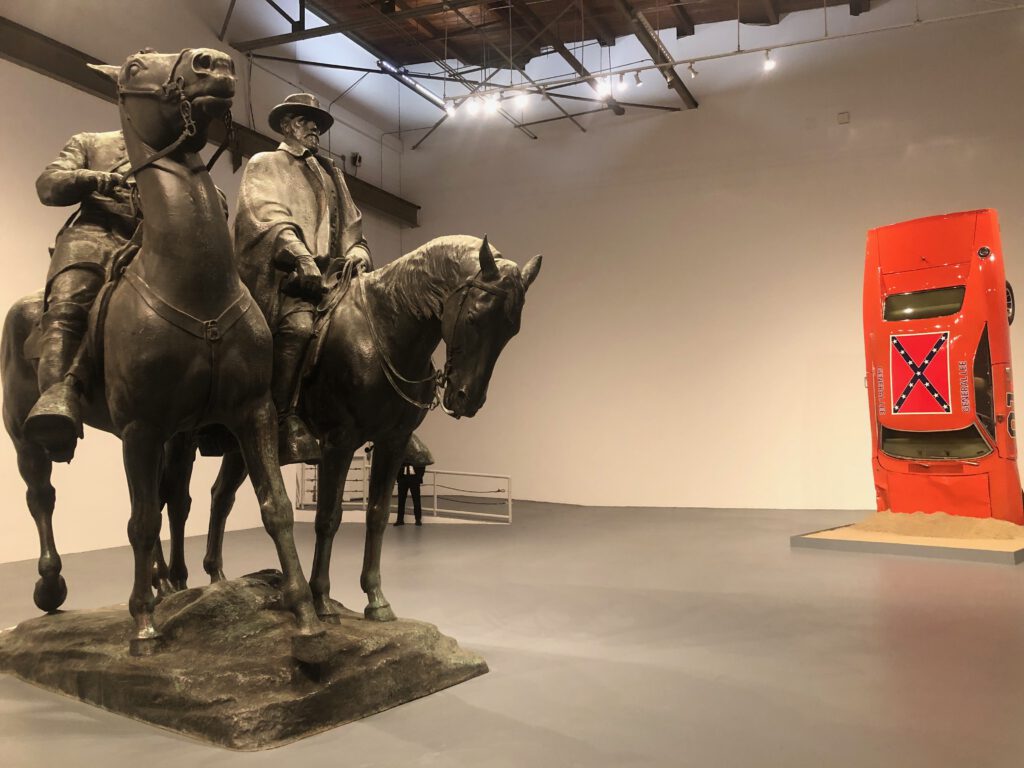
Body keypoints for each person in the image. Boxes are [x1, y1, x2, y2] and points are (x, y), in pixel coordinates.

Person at [234, 93, 372, 465]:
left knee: (377, 326)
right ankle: (281, 421)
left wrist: (358, 251)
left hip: (336, 277)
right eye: (304, 120)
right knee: (297, 327)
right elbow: (265, 215)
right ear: (285, 126)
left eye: (318, 123)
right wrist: (300, 256)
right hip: (291, 278)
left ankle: (387, 422)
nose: (315, 128)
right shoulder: (266, 164)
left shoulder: (331, 173)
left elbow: (352, 227)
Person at [23, 130, 136, 462]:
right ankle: (57, 399)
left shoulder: (179, 155)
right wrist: (92, 178)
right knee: (68, 307)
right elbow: (49, 183)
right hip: (95, 235)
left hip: (153, 244)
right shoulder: (91, 142)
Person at [394, 433, 435, 526]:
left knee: (416, 500)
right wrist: (399, 478)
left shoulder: (418, 456)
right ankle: (400, 520)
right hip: (403, 480)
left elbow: (422, 466)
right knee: (401, 501)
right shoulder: (401, 455)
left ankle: (418, 519)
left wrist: (417, 478)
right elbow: (396, 467)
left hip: (414, 480)